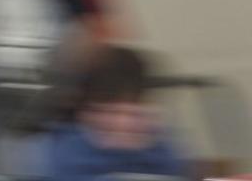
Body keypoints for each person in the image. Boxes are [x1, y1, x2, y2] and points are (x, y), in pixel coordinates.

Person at [45, 46, 190, 181]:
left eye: (134, 114)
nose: (123, 123)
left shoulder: (159, 147)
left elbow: (174, 170)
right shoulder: (65, 151)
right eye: (111, 112)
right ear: (85, 114)